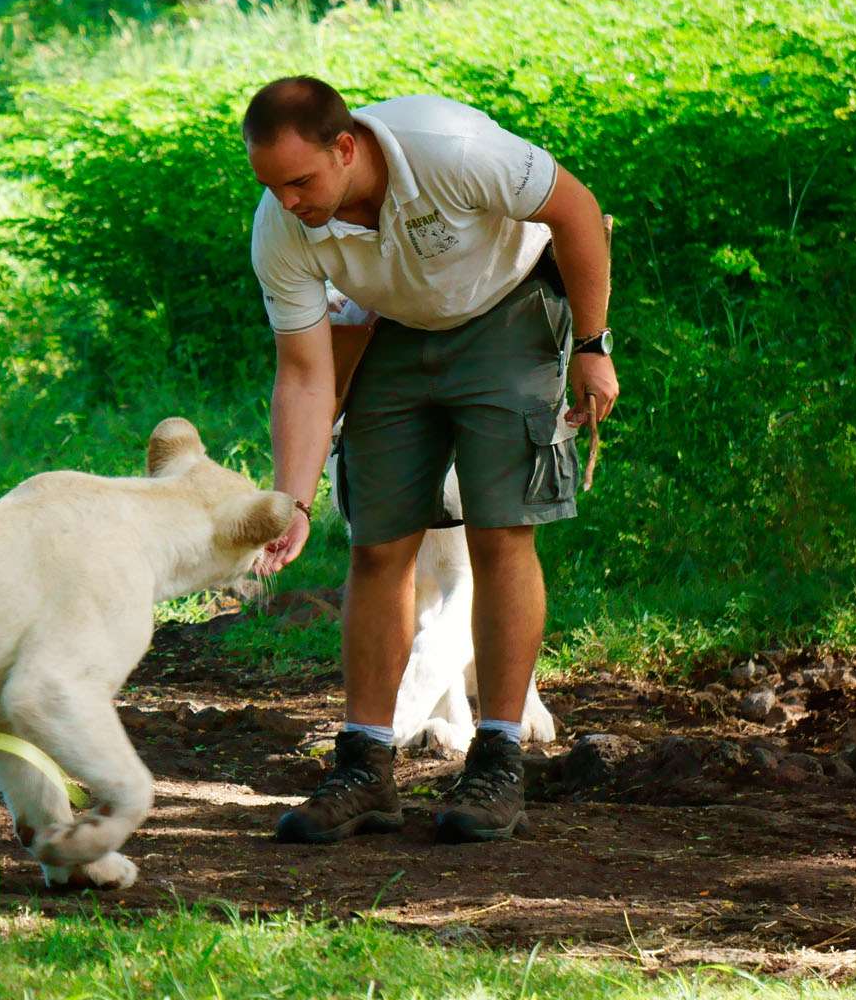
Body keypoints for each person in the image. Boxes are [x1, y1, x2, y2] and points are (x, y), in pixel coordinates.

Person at [245, 77, 618, 844]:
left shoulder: (450, 147)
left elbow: (574, 209)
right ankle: (365, 768)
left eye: (300, 181)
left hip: (506, 311)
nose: (287, 201)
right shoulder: (282, 226)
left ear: (344, 147)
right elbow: (307, 374)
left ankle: (498, 758)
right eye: (271, 187)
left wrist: (590, 344)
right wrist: (293, 499)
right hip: (392, 332)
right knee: (377, 542)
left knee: (499, 529)